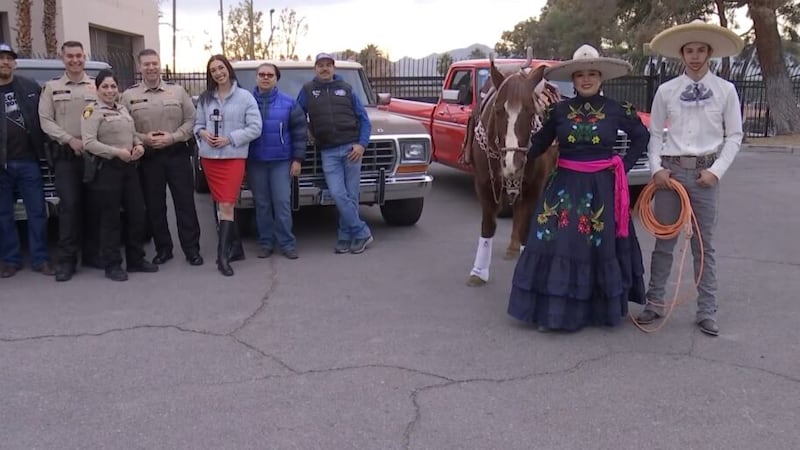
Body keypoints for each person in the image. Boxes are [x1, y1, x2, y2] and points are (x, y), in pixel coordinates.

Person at [506, 44, 649, 332]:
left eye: (592, 74)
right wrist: (515, 158)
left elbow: (642, 136)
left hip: (602, 187)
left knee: (596, 246)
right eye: (580, 74)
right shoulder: (557, 111)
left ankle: (594, 311)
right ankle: (553, 312)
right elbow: (539, 144)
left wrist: (622, 166)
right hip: (563, 187)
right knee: (557, 243)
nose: (586, 79)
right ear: (573, 79)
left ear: (601, 78)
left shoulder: (617, 110)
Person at [636, 19, 745, 337]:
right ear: (681, 54)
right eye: (689, 50)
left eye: (700, 50)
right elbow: (655, 134)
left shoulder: (726, 91)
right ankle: (654, 302)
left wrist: (716, 171)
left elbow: (735, 136)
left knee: (704, 245)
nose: (695, 56)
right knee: (664, 239)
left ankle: (707, 310)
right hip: (671, 174)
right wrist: (656, 169)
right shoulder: (667, 91)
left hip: (704, 174)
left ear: (709, 53)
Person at [121, 48, 203, 267]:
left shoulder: (177, 92)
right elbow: (123, 127)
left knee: (185, 204)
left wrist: (173, 137)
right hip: (149, 158)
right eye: (146, 64)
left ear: (160, 65)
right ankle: (163, 249)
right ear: (140, 67)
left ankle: (192, 249)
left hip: (176, 154)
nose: (150, 67)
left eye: (154, 63)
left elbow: (191, 120)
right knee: (155, 206)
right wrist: (143, 139)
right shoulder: (129, 96)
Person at [81, 69, 158, 281]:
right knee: (111, 219)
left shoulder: (123, 109)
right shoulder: (91, 111)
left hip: (129, 168)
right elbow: (89, 143)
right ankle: (112, 264)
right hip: (107, 170)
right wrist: (116, 152)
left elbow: (132, 134)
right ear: (97, 89)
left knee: (137, 214)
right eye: (104, 86)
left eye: (113, 86)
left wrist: (139, 145)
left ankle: (135, 260)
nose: (109, 90)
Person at [296, 53, 373, 254]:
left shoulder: (347, 89)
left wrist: (362, 145)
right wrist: (307, 129)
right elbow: (296, 114)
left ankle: (345, 236)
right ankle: (362, 231)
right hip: (328, 151)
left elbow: (364, 119)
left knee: (351, 195)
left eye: (328, 65)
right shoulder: (307, 90)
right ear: (315, 68)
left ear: (333, 68)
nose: (324, 68)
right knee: (338, 194)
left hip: (351, 149)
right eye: (320, 65)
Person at [193, 54, 261, 276]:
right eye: (213, 70)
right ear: (210, 75)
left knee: (227, 205)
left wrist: (229, 138)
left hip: (233, 158)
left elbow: (255, 128)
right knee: (221, 205)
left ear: (228, 69)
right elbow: (197, 125)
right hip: (210, 159)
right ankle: (237, 249)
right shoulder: (205, 99)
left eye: (221, 68)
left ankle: (222, 257)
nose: (218, 73)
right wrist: (203, 133)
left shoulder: (245, 97)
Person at [38, 40, 100, 282]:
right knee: (70, 207)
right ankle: (67, 260)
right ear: (62, 58)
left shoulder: (96, 86)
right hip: (66, 157)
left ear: (85, 57)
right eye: (70, 56)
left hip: (94, 155)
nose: (75, 60)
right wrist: (69, 140)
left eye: (79, 56)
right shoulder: (51, 88)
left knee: (94, 206)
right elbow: (45, 121)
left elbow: (107, 112)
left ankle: (93, 255)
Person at [0, 43, 54, 278]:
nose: (4, 62)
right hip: (1, 165)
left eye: (8, 58)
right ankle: (10, 260)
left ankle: (40, 259)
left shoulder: (29, 86)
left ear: (14, 63)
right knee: (4, 215)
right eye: (0, 58)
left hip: (30, 162)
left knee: (37, 212)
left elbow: (44, 117)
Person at [247, 63, 306, 260]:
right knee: (262, 204)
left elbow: (299, 133)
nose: (265, 78)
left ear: (276, 78)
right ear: (256, 78)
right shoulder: (246, 102)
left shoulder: (289, 103)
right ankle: (266, 243)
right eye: (261, 74)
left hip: (281, 162)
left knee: (281, 203)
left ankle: (287, 243)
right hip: (255, 162)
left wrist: (297, 159)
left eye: (269, 75)